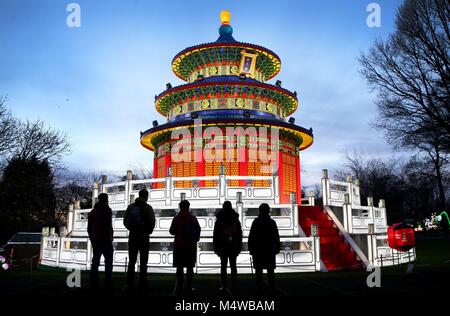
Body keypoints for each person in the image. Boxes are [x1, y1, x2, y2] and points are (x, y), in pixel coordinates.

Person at [123, 189, 155, 291]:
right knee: (143, 261)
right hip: (144, 237)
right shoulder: (148, 208)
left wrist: (132, 229)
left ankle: (129, 284)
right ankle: (143, 283)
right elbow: (152, 222)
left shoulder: (131, 207)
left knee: (131, 261)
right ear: (146, 196)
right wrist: (147, 231)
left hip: (133, 237)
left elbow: (125, 221)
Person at [170, 200, 201, 295]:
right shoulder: (192, 218)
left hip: (179, 245)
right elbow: (198, 230)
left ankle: (180, 287)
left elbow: (171, 231)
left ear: (180, 207)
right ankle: (188, 287)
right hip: (190, 246)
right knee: (189, 268)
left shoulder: (176, 218)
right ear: (188, 207)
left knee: (179, 267)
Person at [248, 203, 280, 294]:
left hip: (258, 249)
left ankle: (259, 289)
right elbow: (276, 237)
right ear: (268, 211)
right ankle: (272, 288)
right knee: (270, 271)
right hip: (269, 249)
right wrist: (277, 247)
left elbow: (251, 236)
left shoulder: (256, 222)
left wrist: (251, 248)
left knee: (259, 271)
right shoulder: (272, 222)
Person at [213, 201, 242, 293]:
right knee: (233, 266)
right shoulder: (235, 219)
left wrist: (215, 246)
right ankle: (235, 285)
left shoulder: (219, 219)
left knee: (223, 266)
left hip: (222, 244)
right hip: (233, 244)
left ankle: (224, 285)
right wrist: (239, 246)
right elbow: (239, 233)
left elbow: (216, 234)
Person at [88, 193, 113, 289]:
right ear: (106, 199)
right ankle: (108, 281)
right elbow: (107, 225)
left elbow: (89, 228)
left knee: (95, 261)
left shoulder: (93, 212)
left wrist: (92, 238)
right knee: (108, 262)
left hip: (96, 239)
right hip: (106, 239)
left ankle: (94, 281)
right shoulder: (108, 210)